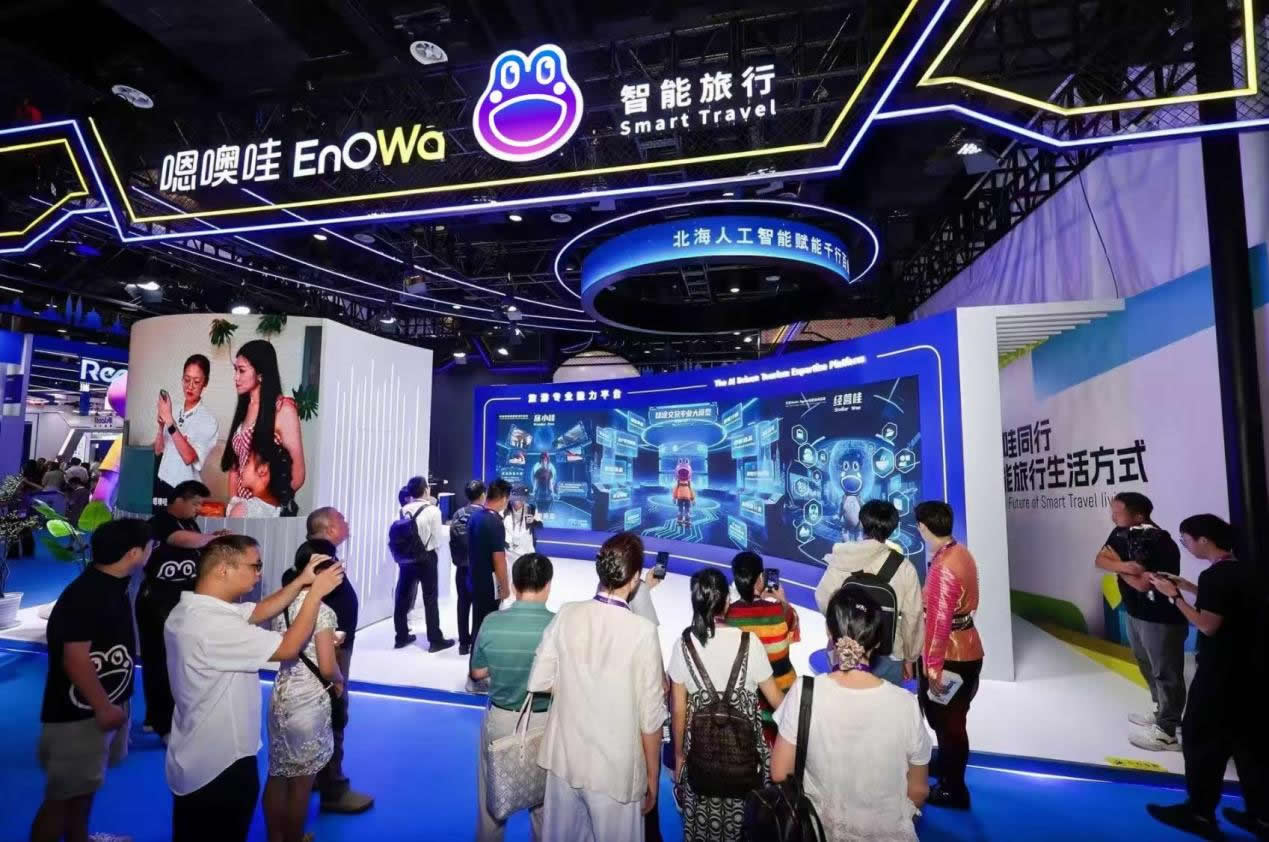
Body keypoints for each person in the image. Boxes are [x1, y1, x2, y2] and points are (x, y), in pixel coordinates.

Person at [164, 535, 344, 842]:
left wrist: (301, 580)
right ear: (223, 569)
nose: (259, 573)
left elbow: (260, 610)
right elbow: (288, 648)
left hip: (194, 755)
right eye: (255, 565)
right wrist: (314, 594)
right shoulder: (213, 627)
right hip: (221, 762)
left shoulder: (196, 610)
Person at [527, 532, 667, 842]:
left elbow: (539, 680)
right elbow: (650, 719)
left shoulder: (567, 614)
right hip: (616, 773)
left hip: (563, 761)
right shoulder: (643, 632)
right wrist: (652, 778)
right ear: (635, 577)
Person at [771, 589, 931, 841]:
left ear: (829, 632)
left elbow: (780, 772)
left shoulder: (804, 692)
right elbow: (919, 790)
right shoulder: (906, 705)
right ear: (878, 642)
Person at [30, 519, 153, 842]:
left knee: (84, 787)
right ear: (134, 553)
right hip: (78, 715)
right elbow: (75, 657)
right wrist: (103, 707)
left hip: (99, 706)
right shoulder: (87, 594)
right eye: (149, 547)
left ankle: (80, 837)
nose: (152, 551)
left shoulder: (113, 585)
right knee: (61, 798)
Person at [1147, 515, 1268, 841]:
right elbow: (1228, 604)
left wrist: (1174, 596)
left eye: (1186, 539)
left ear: (1203, 539)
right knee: (1250, 747)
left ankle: (1199, 813)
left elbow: (1207, 625)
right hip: (1253, 672)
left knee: (1201, 739)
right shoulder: (1246, 570)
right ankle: (1262, 818)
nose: (1186, 545)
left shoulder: (1215, 576)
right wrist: (1188, 587)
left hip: (1220, 674)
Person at [671, 568, 784, 842]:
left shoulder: (683, 645)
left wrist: (679, 755)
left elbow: (678, 710)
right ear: (727, 601)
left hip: (701, 759)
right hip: (745, 762)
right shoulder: (750, 643)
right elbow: (778, 702)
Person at [470, 553, 556, 841]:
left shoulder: (492, 621)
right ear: (548, 585)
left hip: (502, 721)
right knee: (544, 809)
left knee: (492, 806)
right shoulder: (559, 626)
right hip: (547, 724)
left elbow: (477, 672)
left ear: (515, 585)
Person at [1094, 492, 1187, 751]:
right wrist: (1126, 567)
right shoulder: (1119, 533)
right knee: (1146, 664)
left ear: (1138, 515)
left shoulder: (1158, 541)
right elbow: (1100, 560)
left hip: (1160, 617)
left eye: (1118, 513)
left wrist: (1117, 566)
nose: (1113, 517)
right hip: (1134, 612)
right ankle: (1161, 712)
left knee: (1166, 672)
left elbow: (1144, 583)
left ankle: (1168, 731)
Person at [296, 507, 374, 814]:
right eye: (341, 519)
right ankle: (333, 788)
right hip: (330, 648)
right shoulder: (319, 560)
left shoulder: (315, 555)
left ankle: (319, 776)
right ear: (329, 528)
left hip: (329, 645)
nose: (347, 523)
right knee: (334, 712)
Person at [264, 553, 345, 842]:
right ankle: (294, 838)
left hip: (281, 694)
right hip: (308, 701)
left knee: (277, 774)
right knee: (301, 784)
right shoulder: (323, 611)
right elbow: (326, 666)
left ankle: (274, 837)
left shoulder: (283, 605)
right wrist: (339, 679)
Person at [914, 500, 984, 810]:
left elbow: (939, 624)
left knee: (948, 726)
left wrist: (932, 669)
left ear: (922, 527)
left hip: (950, 656)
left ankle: (953, 789)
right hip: (965, 648)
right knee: (952, 723)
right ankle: (947, 773)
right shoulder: (959, 553)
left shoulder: (944, 567)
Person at [137, 480, 219, 741]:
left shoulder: (190, 523)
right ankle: (161, 722)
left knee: (180, 662)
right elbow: (180, 540)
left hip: (184, 600)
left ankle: (166, 717)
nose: (198, 509)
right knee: (159, 661)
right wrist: (213, 539)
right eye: (195, 503)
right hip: (157, 601)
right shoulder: (160, 521)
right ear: (179, 500)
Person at [815, 500, 924, 686]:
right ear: (892, 529)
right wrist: (910, 657)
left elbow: (823, 598)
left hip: (844, 650)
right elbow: (912, 618)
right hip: (889, 654)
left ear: (862, 522)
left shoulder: (842, 557)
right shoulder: (904, 567)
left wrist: (841, 630)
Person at [221, 340, 305, 515]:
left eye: (242, 370)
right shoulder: (245, 407)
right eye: (235, 370)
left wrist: (266, 507)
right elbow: (235, 466)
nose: (236, 377)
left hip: (266, 512)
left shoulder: (282, 409)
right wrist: (234, 504)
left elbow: (297, 474)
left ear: (260, 374)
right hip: (240, 509)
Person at [724, 551, 800, 742]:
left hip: (744, 704)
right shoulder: (782, 612)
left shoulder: (728, 617)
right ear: (760, 579)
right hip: (782, 699)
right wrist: (782, 600)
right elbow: (793, 634)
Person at [394, 476, 453, 651]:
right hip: (426, 558)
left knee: (402, 596)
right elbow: (437, 539)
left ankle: (401, 637)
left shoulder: (404, 509)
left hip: (406, 559)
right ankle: (435, 640)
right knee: (430, 599)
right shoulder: (433, 510)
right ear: (426, 489)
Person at [154, 354, 219, 511]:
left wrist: (170, 421)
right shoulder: (173, 410)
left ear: (205, 383)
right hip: (162, 484)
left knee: (180, 526)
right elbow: (158, 451)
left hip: (186, 493)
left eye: (196, 381)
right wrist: (161, 427)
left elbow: (189, 457)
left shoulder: (208, 421)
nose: (190, 386)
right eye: (186, 379)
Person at [468, 478, 512, 646]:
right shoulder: (495, 522)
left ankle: (475, 654)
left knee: (478, 622)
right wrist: (505, 588)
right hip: (489, 584)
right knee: (489, 624)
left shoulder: (475, 516)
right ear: (504, 498)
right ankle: (483, 657)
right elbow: (498, 559)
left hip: (474, 579)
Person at [450, 480, 486, 656]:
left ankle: (463, 644)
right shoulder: (486, 515)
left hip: (462, 567)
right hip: (480, 569)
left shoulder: (458, 514)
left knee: (463, 604)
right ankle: (476, 642)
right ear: (483, 495)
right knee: (479, 606)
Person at [226, 445, 293, 517]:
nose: (242, 468)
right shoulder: (281, 510)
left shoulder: (242, 510)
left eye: (247, 462)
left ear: (262, 470)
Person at [503, 493, 536, 570]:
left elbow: (540, 524)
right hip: (510, 549)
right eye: (518, 499)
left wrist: (533, 521)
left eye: (523, 499)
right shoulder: (505, 510)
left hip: (526, 546)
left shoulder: (531, 509)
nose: (521, 501)